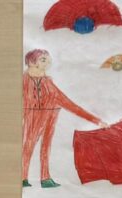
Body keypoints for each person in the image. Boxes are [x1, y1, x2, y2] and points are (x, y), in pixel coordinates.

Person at [22, 49, 106, 188]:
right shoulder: (24, 81)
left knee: (46, 147)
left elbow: (70, 105)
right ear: (31, 62)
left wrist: (96, 121)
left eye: (48, 60)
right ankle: (23, 177)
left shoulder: (48, 83)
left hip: (50, 117)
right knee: (28, 145)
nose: (48, 63)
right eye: (43, 60)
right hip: (31, 117)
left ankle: (45, 178)